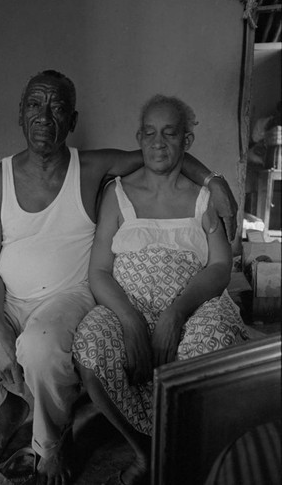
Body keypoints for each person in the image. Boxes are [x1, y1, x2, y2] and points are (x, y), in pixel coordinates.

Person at [0, 71, 237, 485]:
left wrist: (213, 180)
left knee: (40, 347)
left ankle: (47, 446)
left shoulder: (93, 167)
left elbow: (161, 152)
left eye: (57, 107)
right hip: (6, 298)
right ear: (20, 114)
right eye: (34, 105)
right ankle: (2, 411)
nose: (44, 117)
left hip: (66, 297)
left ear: (73, 119)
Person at [72, 95, 252, 485]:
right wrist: (131, 320)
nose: (158, 142)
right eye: (150, 133)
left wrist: (176, 313)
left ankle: (187, 451)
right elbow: (100, 270)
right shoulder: (117, 194)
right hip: (130, 305)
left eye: (170, 133)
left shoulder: (204, 198)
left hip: (193, 307)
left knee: (212, 342)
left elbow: (220, 266)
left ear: (186, 141)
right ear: (138, 137)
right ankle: (145, 452)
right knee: (91, 344)